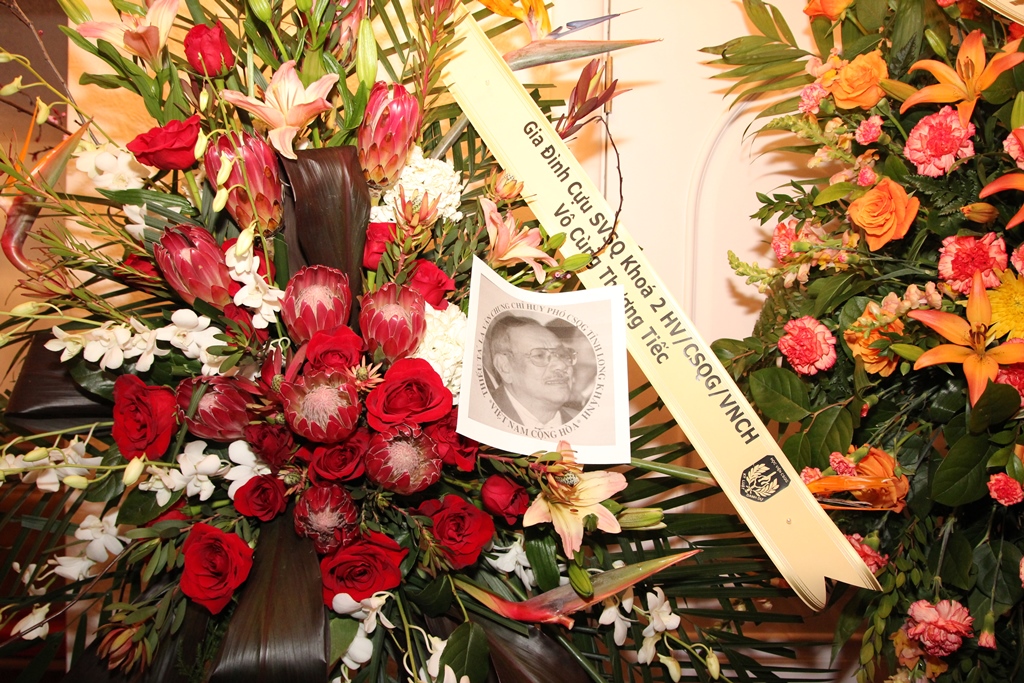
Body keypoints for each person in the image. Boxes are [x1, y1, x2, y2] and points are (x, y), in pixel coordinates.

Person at [485, 315, 580, 428]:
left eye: (562, 354)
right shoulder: (482, 418)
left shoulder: (584, 424)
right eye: (539, 355)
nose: (561, 365)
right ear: (504, 367)